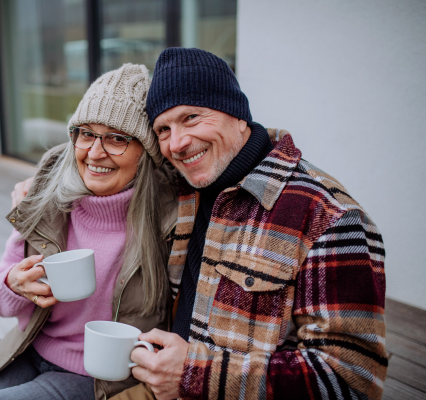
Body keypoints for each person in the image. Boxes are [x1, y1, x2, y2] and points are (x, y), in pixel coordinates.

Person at [110, 48, 388, 400]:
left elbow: (351, 381)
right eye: (163, 129)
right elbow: (101, 157)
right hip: (156, 385)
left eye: (192, 117)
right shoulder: (184, 188)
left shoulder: (327, 217)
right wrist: (37, 186)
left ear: (238, 115)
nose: (177, 143)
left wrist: (195, 374)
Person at [0, 63, 178, 400]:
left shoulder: (170, 222)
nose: (95, 153)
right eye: (86, 133)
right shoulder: (47, 202)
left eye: (116, 138)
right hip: (29, 351)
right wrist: (14, 284)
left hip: (97, 378)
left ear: (146, 152)